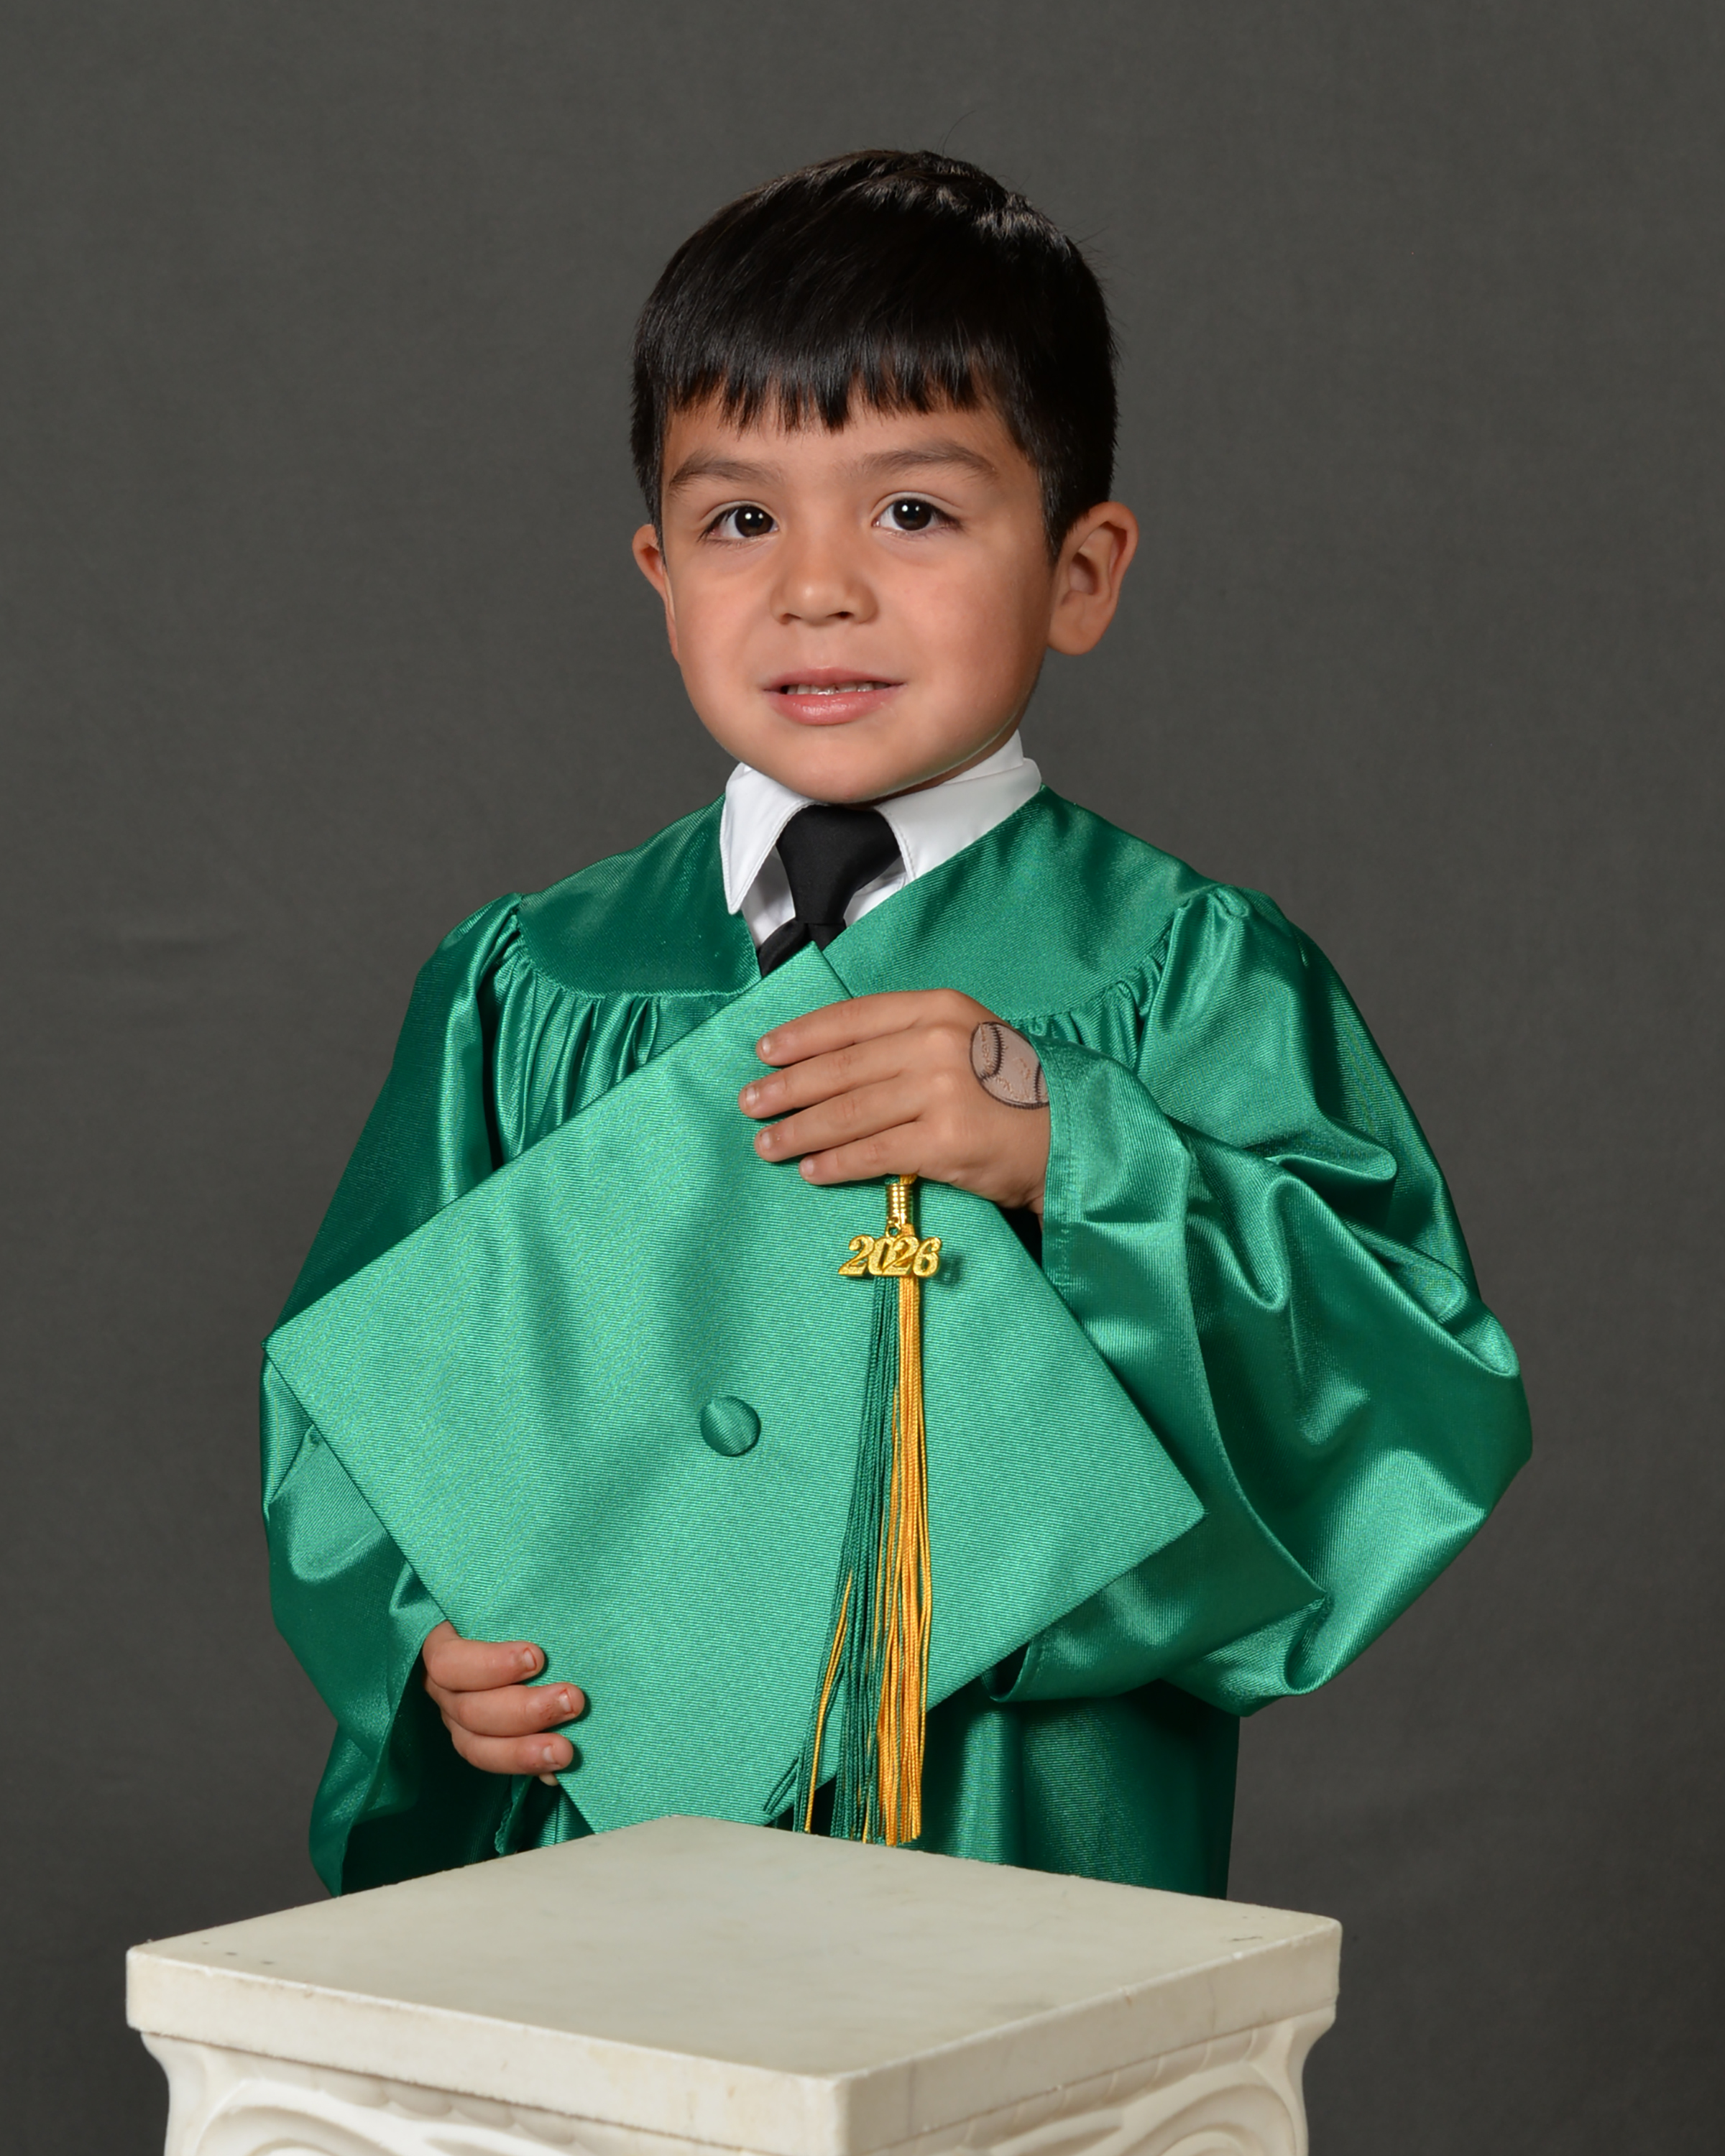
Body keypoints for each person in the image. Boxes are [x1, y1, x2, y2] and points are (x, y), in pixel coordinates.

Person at [262, 150, 1530, 1899]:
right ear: (658, 571)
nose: (818, 587)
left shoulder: (1183, 975)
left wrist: (1075, 1155)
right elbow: (356, 1396)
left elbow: (1403, 1384)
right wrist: (420, 1639)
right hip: (611, 1848)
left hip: (1023, 1834)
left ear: (1081, 571)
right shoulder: (531, 981)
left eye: (912, 513)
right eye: (741, 521)